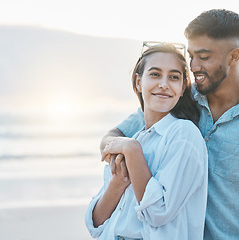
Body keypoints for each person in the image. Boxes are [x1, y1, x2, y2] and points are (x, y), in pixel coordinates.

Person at [100, 9, 239, 240]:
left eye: (204, 57)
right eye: (192, 56)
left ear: (233, 56)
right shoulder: (178, 99)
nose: (194, 66)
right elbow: (115, 136)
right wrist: (118, 153)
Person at [85, 43, 208, 239]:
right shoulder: (135, 137)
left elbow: (158, 213)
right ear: (138, 82)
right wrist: (118, 183)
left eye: (174, 77)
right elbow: (96, 223)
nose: (164, 84)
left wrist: (133, 151)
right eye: (155, 74)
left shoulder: (184, 135)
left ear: (183, 87)